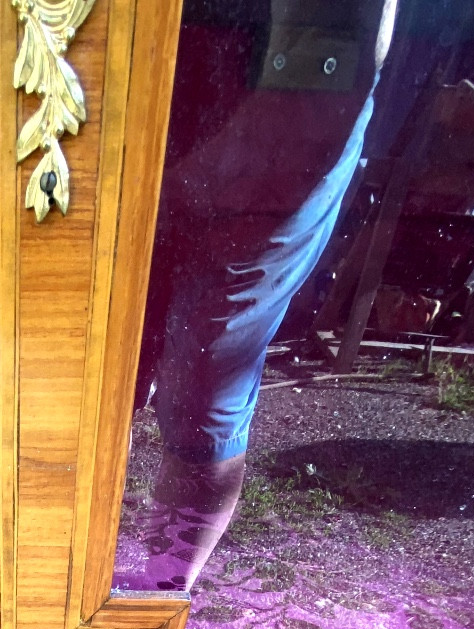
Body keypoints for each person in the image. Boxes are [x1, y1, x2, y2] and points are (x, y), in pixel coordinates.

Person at [138, 0, 399, 591]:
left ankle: (158, 596)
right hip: (148, 76)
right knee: (94, 366)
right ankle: (105, 596)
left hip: (294, 108)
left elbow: (337, 42)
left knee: (203, 391)